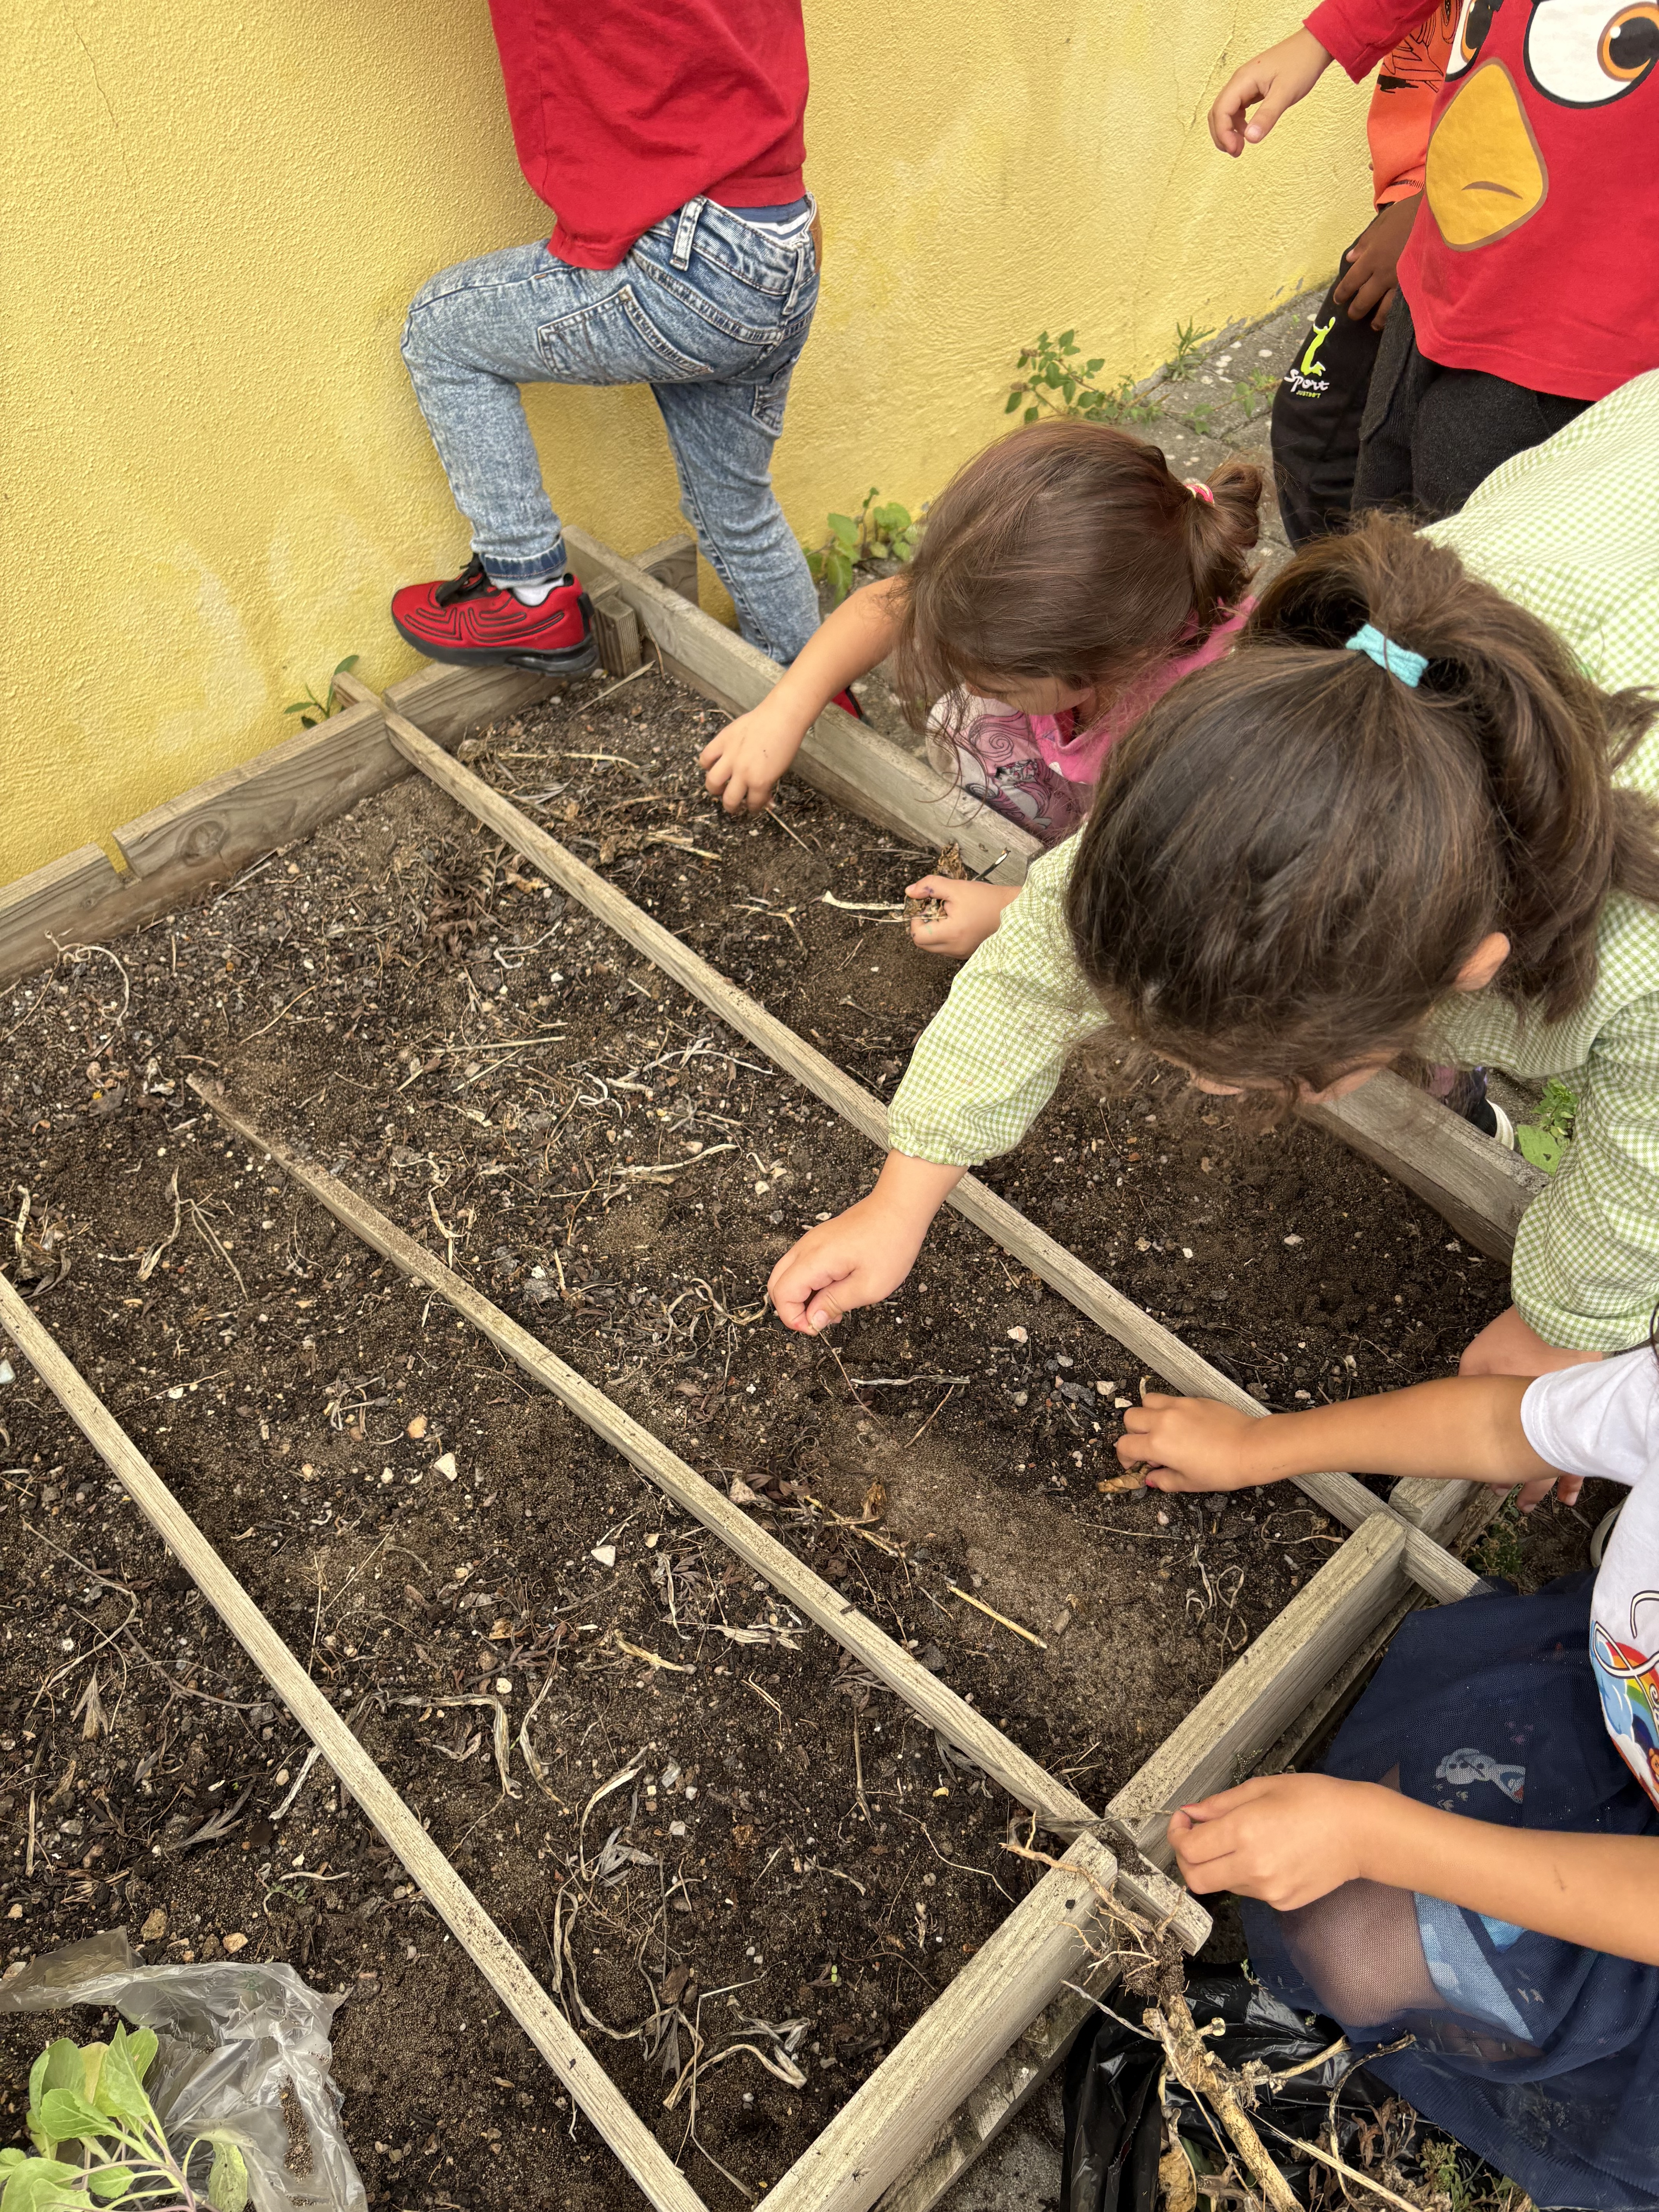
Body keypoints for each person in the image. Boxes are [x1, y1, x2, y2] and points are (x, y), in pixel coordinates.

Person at [764, 370, 1659, 1379]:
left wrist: (1563, 1324)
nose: (1204, 1087)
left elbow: (1643, 1169)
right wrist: (900, 1199)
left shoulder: (1643, 953)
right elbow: (1041, 955)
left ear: (1470, 969)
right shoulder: (1290, 726)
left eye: (1278, 1074)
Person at [1111, 1354, 1659, 2212]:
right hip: (1624, 1726)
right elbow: (1500, 1425)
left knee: (1355, 1948)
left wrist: (1372, 1836)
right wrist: (1260, 1446)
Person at [699, 422, 1262, 955]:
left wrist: (1012, 913)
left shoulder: (1203, 737)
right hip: (1092, 765)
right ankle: (1031, 840)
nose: (971, 684)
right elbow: (890, 604)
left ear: (1108, 661)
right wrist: (784, 710)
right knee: (965, 720)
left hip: (1164, 852)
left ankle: (1054, 868)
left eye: (1003, 683)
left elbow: (1174, 901)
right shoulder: (1079, 609)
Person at [388, 0, 824, 680]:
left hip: (694, 254)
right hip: (784, 236)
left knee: (440, 332)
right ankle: (824, 705)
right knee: (737, 510)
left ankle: (527, 592)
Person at [1213, 4, 1659, 519]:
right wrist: (1326, 38)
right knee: (1344, 464)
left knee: (1455, 537)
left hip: (1567, 347)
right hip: (1436, 270)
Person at [1271, 5, 1453, 546]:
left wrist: (1437, 206)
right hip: (1428, 193)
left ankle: (1363, 595)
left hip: (1467, 215)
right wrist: (1326, 38)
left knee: (1325, 441)